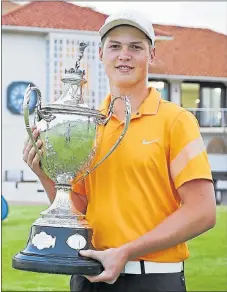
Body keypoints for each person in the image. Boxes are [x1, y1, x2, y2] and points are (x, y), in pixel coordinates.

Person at [23, 10, 216, 292]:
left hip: (153, 279)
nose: (124, 55)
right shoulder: (86, 126)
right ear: (101, 54)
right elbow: (76, 210)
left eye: (135, 47)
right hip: (89, 276)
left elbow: (202, 211)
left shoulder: (177, 121)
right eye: (115, 46)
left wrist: (125, 251)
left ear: (151, 56)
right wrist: (44, 174)